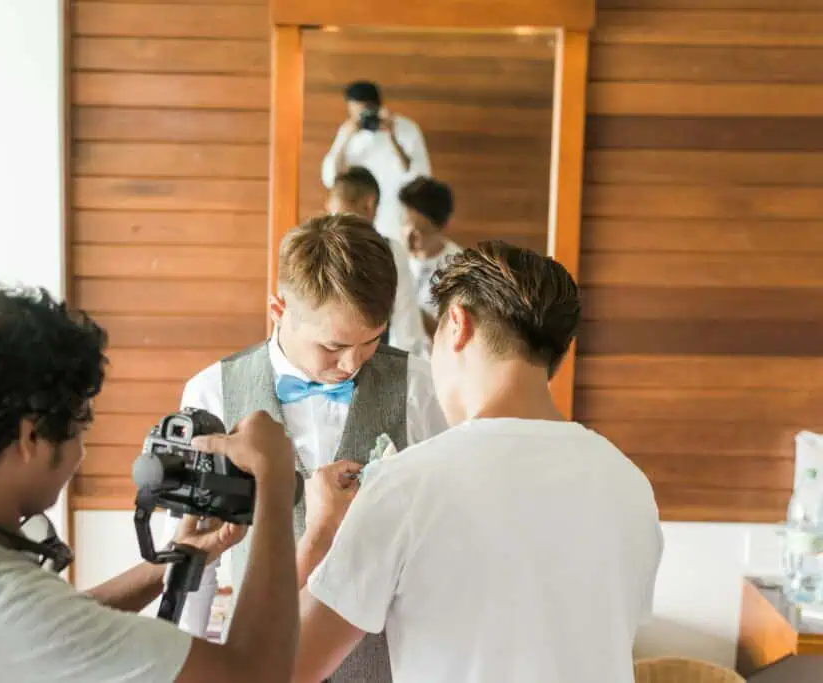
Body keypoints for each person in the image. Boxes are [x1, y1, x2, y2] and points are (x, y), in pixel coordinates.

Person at [0, 284, 303, 683]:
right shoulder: (1, 610)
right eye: (78, 429)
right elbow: (256, 673)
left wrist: (174, 563)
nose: (80, 453)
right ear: (31, 437)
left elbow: (56, 626)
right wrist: (276, 481)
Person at [292, 241, 665, 683]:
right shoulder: (630, 484)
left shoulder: (406, 484)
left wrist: (319, 534)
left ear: (456, 324)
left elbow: (286, 667)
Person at [169, 214, 448, 683]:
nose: (353, 363)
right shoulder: (212, 393)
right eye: (333, 346)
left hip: (392, 664)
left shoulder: (422, 387)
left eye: (372, 342)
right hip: (259, 663)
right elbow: (195, 556)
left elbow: (445, 540)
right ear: (279, 311)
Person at [327, 166, 428, 357]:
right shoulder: (391, 251)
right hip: (371, 366)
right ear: (370, 204)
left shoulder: (310, 246)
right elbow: (408, 332)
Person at [321, 81, 431, 243]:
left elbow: (420, 177)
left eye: (364, 112)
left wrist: (392, 137)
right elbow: (330, 177)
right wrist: (346, 137)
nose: (360, 118)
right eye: (354, 112)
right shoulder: (348, 131)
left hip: (396, 217)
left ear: (377, 107)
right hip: (357, 218)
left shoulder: (406, 129)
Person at [399, 175, 462, 339]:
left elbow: (454, 334)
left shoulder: (458, 268)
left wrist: (406, 304)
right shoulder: (397, 255)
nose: (410, 239)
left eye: (419, 232)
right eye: (406, 226)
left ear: (443, 227)